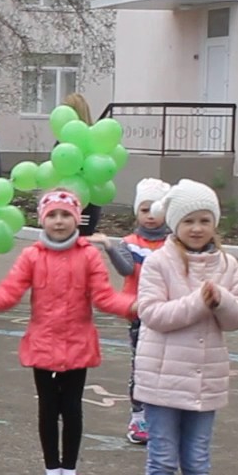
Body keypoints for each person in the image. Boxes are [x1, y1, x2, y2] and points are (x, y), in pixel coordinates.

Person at [0, 190, 135, 475]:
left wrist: (133, 306)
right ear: (42, 220)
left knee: (73, 409)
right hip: (43, 345)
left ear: (76, 219)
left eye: (65, 215)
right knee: (48, 409)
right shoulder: (32, 255)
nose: (59, 221)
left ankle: (70, 469)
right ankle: (52, 469)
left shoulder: (88, 254)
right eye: (52, 215)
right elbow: (10, 292)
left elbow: (104, 297)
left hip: (78, 344)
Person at [134, 180, 238, 475]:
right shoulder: (158, 262)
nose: (197, 228)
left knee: (198, 459)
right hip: (162, 379)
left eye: (205, 220)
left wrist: (222, 300)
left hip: (205, 379)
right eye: (189, 221)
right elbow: (152, 314)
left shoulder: (228, 265)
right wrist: (198, 303)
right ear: (175, 224)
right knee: (163, 457)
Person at [88, 178, 171, 445]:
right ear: (136, 211)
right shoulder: (130, 243)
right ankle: (139, 417)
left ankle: (165, 418)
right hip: (139, 314)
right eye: (144, 209)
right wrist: (111, 248)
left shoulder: (174, 242)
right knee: (142, 366)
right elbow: (125, 270)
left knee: (167, 367)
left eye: (155, 210)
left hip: (169, 314)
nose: (150, 216)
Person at [62, 93, 104, 236]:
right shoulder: (94, 138)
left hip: (84, 202)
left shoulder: (88, 139)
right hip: (76, 199)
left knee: (81, 240)